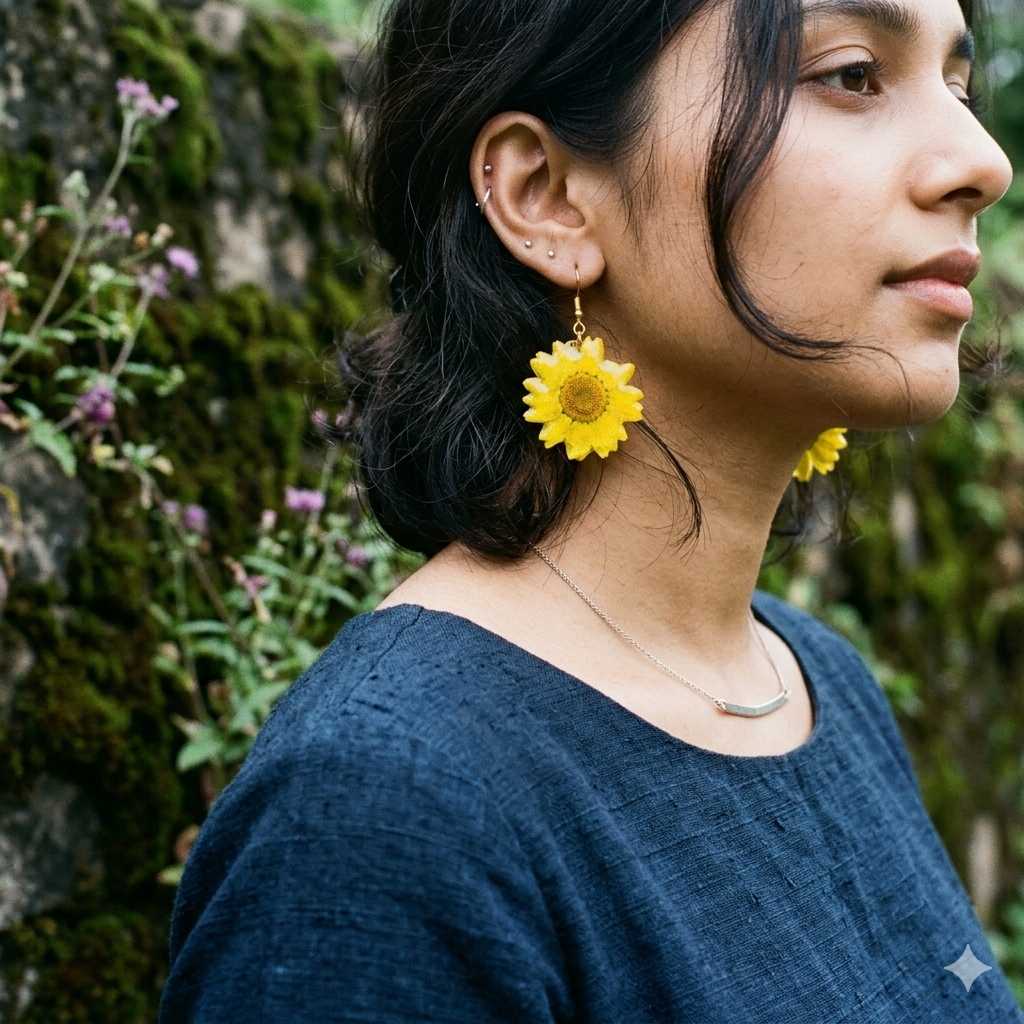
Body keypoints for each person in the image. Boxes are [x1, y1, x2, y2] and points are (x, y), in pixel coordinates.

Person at [159, 0, 1022, 1020]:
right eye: (848, 75)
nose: (980, 161)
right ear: (547, 197)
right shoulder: (381, 812)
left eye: (959, 87)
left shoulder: (814, 683)